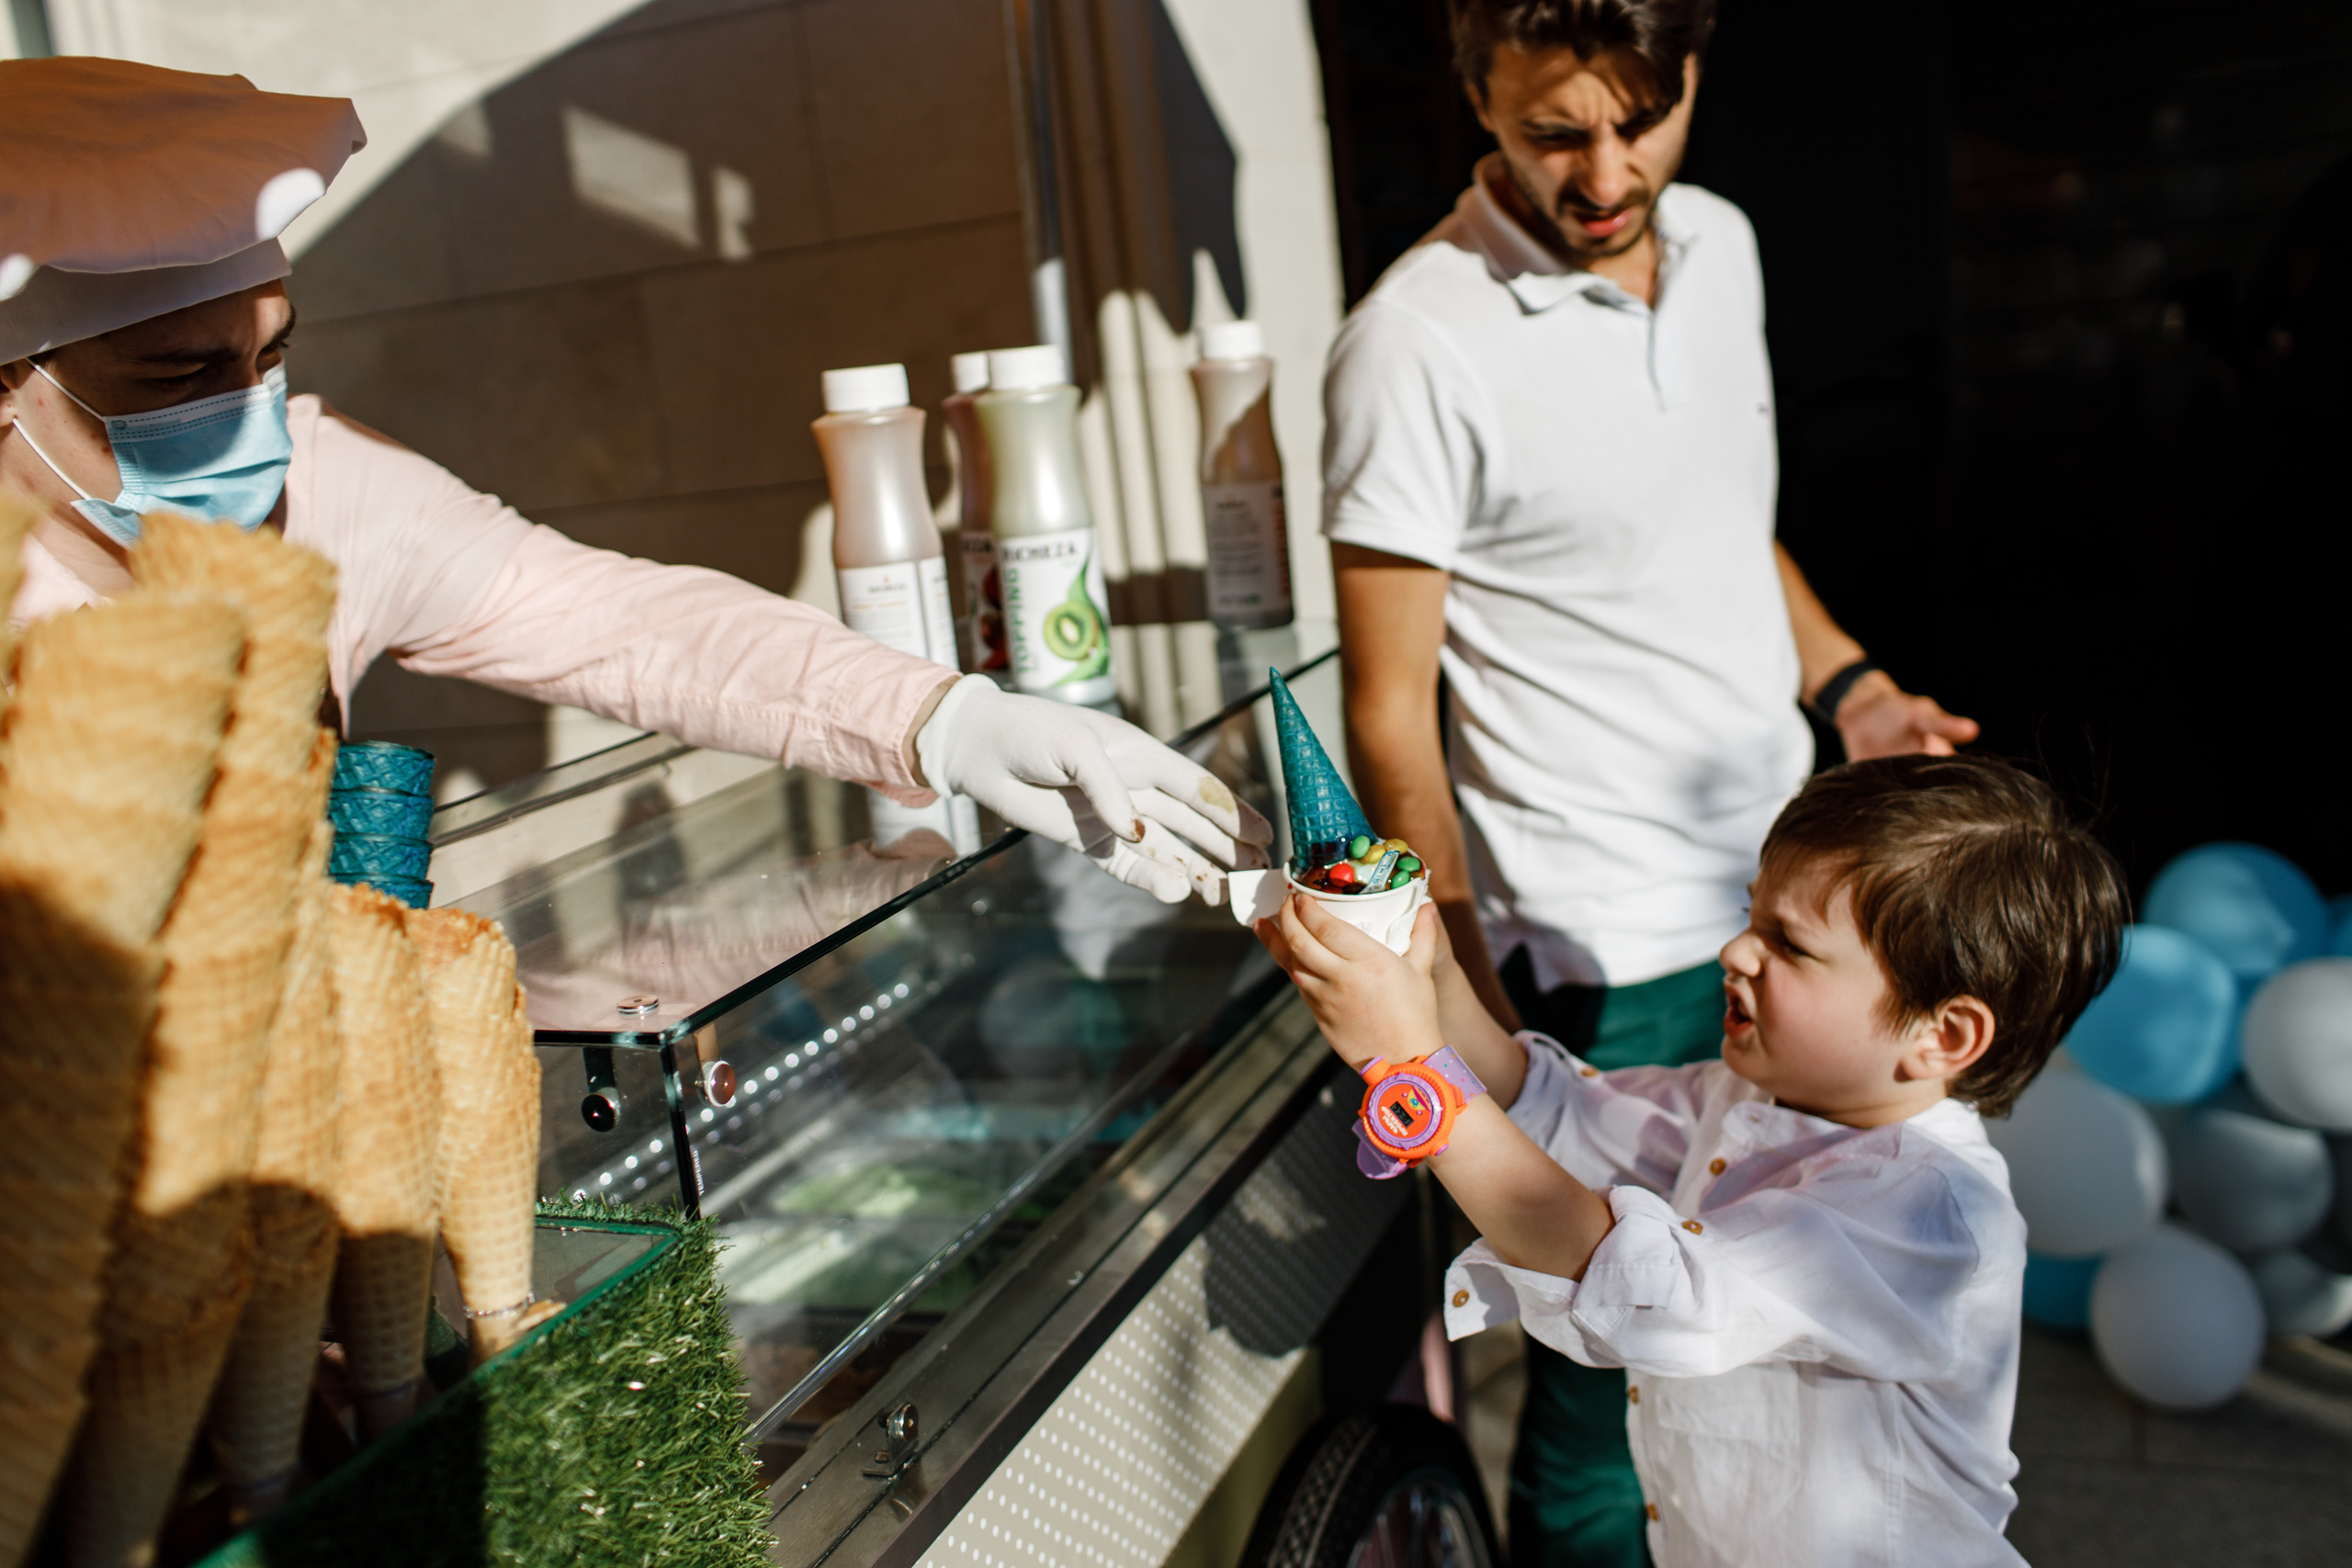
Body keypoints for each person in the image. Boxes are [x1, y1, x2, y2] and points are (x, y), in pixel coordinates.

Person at [0, 56, 1268, 906]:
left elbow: (624, 620)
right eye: (174, 379)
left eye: (271, 356)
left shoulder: (333, 488)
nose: (245, 415)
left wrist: (943, 718)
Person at [1318, 2, 1972, 1556]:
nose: (1608, 173)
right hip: (1603, 942)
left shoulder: (1725, 242)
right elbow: (1391, 718)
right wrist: (1453, 997)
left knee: (1779, 1362)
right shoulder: (1415, 342)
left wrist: (1853, 685)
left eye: (1645, 118)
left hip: (1788, 898)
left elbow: (1712, 512)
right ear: (1474, 90)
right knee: (1608, 1382)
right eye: (1554, 131)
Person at [1259, 753, 2127, 1568]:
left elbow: (1649, 1285)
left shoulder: (1930, 1208)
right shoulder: (1745, 1097)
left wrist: (1413, 1069)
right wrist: (1434, 972)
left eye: (1788, 945)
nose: (1735, 951)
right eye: (1752, 916)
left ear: (1943, 1035)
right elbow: (1551, 1109)